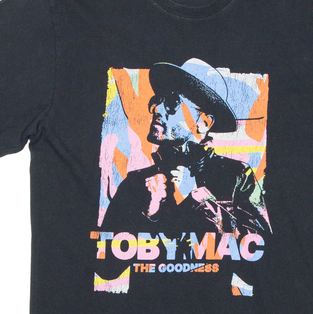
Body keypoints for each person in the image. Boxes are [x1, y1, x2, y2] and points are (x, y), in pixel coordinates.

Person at [100, 60, 271, 240]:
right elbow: (105, 254)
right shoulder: (136, 182)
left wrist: (200, 201)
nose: (157, 109)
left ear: (204, 122)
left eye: (172, 103)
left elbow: (260, 249)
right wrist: (151, 213)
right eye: (157, 101)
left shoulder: (237, 176)